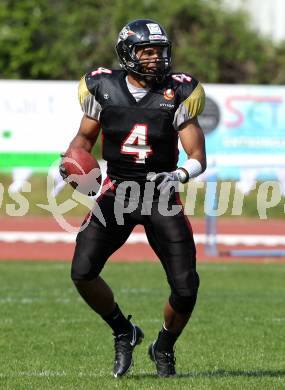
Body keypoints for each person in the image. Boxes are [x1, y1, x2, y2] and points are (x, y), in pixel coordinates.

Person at [60, 18, 206, 378]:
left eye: (160, 51)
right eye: (147, 51)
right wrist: (71, 160)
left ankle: (164, 346)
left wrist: (180, 174)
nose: (156, 58)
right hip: (118, 190)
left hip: (160, 192)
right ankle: (124, 331)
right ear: (128, 54)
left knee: (186, 288)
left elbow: (198, 155)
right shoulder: (103, 88)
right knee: (82, 271)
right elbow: (82, 141)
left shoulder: (178, 92)